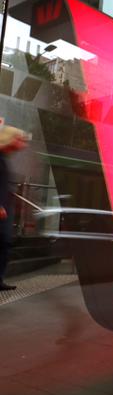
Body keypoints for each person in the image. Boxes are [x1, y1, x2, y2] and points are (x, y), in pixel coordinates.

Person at [0, 125, 28, 291]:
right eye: (20, 140)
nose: (23, 144)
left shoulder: (4, 158)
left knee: (5, 243)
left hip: (4, 211)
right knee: (3, 242)